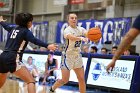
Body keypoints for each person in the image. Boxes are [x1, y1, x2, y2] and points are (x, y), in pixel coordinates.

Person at [0, 13, 57, 93]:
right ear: (29, 23)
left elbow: (6, 26)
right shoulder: (26, 32)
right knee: (31, 81)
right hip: (13, 57)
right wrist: (47, 45)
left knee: (2, 78)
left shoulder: (14, 28)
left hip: (2, 57)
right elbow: (34, 40)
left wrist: (1, 21)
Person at [49, 13, 88, 93]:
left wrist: (92, 34)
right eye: (72, 18)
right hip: (67, 57)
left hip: (77, 56)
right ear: (68, 20)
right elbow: (71, 37)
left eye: (75, 18)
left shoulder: (81, 29)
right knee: (65, 80)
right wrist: (80, 38)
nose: (74, 19)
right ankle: (52, 89)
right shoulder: (67, 30)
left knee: (81, 79)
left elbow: (87, 33)